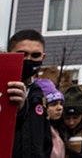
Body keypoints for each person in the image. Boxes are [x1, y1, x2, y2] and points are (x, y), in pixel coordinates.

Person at [9, 29, 50, 158]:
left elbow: (45, 141)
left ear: (43, 57)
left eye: (35, 55)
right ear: (9, 54)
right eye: (22, 54)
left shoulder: (38, 94)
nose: (28, 60)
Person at [55, 87, 82, 158]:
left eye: (75, 118)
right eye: (67, 118)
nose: (71, 122)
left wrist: (76, 154)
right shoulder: (56, 132)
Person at [33, 80, 64, 158]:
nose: (59, 108)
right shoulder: (39, 130)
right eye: (53, 104)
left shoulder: (59, 127)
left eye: (61, 103)